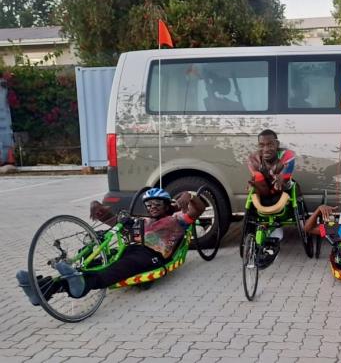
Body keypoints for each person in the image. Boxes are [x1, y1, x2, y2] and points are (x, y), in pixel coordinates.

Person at [16, 188, 205, 304]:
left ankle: (82, 287)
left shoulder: (177, 220)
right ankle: (41, 290)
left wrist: (190, 196)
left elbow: (198, 209)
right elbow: (118, 224)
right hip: (130, 249)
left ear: (167, 205)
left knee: (114, 269)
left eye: (157, 203)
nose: (152, 207)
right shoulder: (144, 221)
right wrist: (100, 212)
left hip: (151, 256)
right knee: (91, 263)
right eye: (148, 204)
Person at [247, 129, 296, 206]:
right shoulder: (253, 160)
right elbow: (259, 181)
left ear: (277, 144)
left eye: (270, 145)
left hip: (282, 192)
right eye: (262, 145)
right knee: (257, 179)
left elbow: (284, 179)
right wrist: (255, 185)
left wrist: (281, 177)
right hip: (264, 193)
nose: (266, 149)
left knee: (283, 184)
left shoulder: (287, 155)